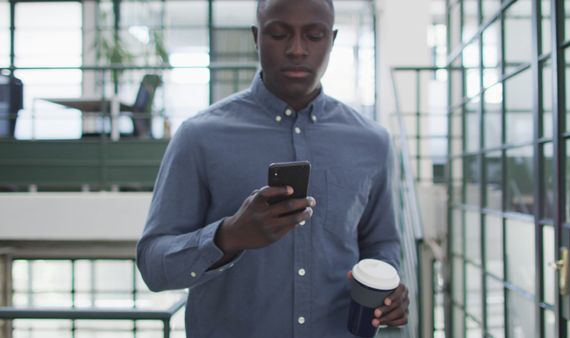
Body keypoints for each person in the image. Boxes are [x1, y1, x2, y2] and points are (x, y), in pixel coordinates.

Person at [136, 0, 410, 336]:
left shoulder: (373, 143)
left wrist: (389, 284)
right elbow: (153, 265)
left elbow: (382, 244)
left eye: (314, 35)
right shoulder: (198, 137)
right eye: (279, 34)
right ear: (256, 37)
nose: (297, 49)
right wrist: (228, 236)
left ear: (332, 40)